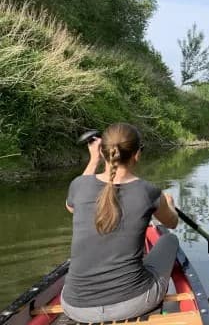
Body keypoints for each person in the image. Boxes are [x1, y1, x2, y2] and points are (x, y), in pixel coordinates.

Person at [60, 123, 180, 322]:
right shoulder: (148, 191)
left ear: (103, 150)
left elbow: (72, 207)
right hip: (133, 302)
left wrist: (93, 160)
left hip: (75, 307)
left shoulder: (78, 185)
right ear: (137, 154)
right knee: (170, 240)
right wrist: (170, 203)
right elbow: (172, 223)